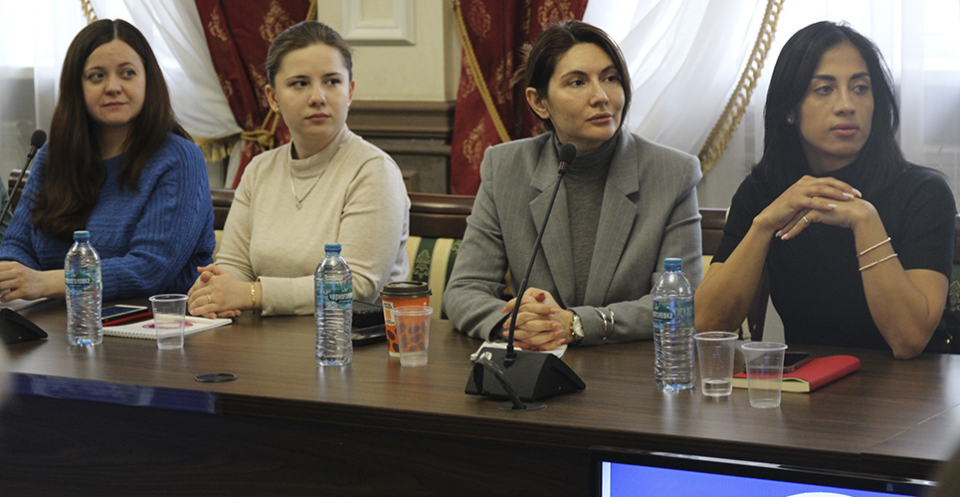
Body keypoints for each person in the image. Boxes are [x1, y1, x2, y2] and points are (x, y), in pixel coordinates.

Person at [694, 22, 956, 359]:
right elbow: (708, 324)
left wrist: (866, 222)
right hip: (812, 382)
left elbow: (908, 340)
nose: (846, 104)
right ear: (790, 109)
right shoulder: (764, 192)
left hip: (913, 385)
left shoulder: (923, 193)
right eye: (824, 89)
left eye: (860, 88)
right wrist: (764, 225)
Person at [443, 21, 703, 350]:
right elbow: (465, 289)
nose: (601, 96)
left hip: (630, 369)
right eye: (577, 82)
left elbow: (680, 302)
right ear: (539, 102)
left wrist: (580, 324)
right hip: (537, 363)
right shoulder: (506, 167)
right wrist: (517, 324)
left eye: (610, 78)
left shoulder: (672, 173)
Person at [187, 21, 409, 318]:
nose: (318, 97)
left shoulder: (374, 171)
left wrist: (253, 294)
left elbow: (357, 285)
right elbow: (234, 265)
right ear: (273, 98)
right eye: (300, 83)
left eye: (332, 81)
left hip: (350, 337)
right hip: (265, 336)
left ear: (350, 92)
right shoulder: (259, 169)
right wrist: (214, 291)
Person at [0, 19, 214, 302]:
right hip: (54, 320)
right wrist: (11, 276)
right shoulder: (53, 155)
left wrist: (45, 283)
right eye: (97, 76)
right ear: (76, 87)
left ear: (148, 81)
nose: (113, 87)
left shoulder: (179, 159)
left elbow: (150, 269)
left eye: (127, 73)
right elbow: (17, 246)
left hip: (153, 323)